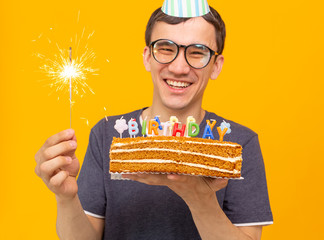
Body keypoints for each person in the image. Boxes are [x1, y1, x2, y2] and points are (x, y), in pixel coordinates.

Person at [35, 2, 273, 240]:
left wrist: (197, 196)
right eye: (166, 49)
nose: (179, 67)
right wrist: (66, 198)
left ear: (216, 66)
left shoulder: (238, 145)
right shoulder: (107, 136)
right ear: (148, 57)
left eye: (197, 52)